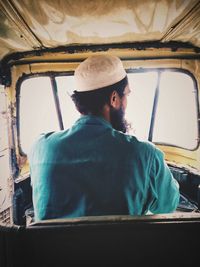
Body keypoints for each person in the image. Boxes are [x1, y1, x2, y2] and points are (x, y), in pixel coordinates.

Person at [29, 54, 180, 221]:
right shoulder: (146, 154)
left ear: (79, 104)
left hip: (52, 248)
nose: (126, 102)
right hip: (123, 247)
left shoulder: (40, 148)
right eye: (126, 95)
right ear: (114, 99)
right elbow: (167, 205)